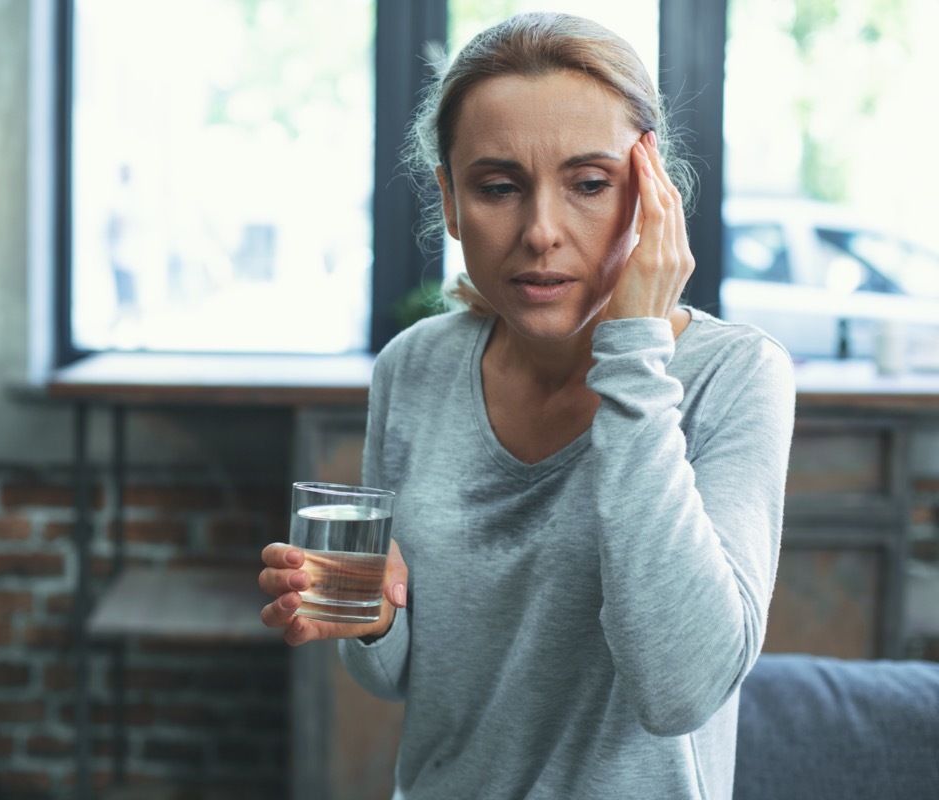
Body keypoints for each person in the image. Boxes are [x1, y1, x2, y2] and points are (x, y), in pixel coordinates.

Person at [258, 11, 795, 799]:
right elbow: (399, 674)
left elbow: (678, 690)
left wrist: (636, 348)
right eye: (499, 187)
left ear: (651, 199)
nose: (541, 231)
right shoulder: (414, 368)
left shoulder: (734, 376)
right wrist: (371, 615)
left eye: (588, 184)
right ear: (449, 201)